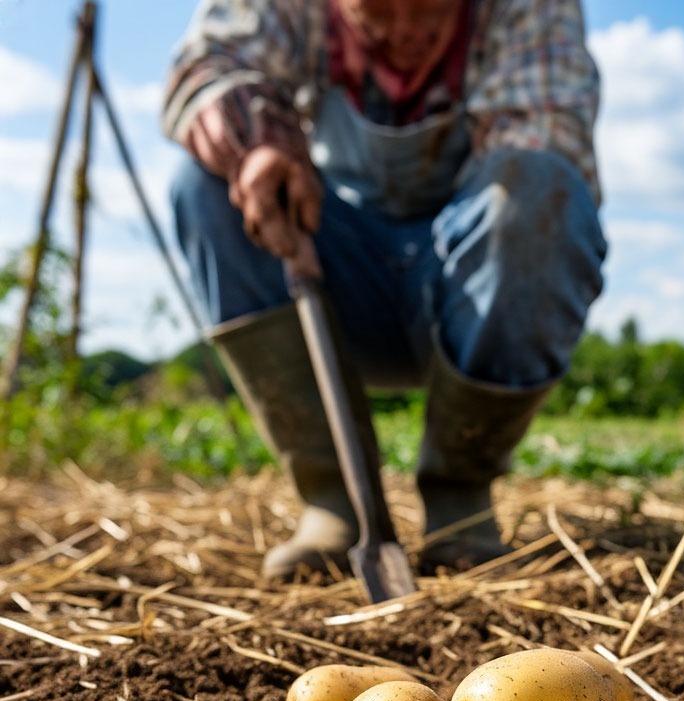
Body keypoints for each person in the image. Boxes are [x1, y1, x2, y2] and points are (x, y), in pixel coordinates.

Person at [161, 0, 607, 579]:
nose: (404, 34)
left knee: (539, 187)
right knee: (204, 183)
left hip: (471, 292)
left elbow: (544, 134)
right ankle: (336, 502)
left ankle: (459, 501)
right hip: (333, 275)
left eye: (428, 13)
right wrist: (261, 140)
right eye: (377, 14)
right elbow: (205, 67)